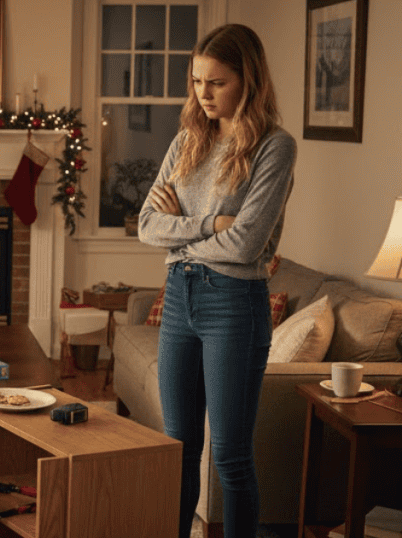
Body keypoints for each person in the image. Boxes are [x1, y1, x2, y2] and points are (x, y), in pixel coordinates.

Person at [138, 24, 296, 538]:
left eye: (217, 82)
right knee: (178, 447)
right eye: (196, 81)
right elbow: (146, 225)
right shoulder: (188, 139)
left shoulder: (274, 147)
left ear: (248, 81)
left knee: (229, 455)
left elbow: (246, 245)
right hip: (178, 298)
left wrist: (180, 231)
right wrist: (210, 224)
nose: (203, 93)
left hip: (233, 304)